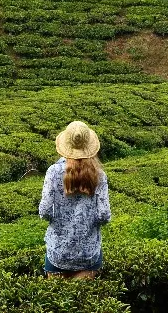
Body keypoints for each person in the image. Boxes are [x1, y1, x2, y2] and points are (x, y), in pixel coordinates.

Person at [39, 120, 111, 279]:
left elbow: (44, 211)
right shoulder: (99, 175)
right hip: (88, 255)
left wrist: (59, 221)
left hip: (58, 253)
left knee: (56, 301)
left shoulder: (53, 172)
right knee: (83, 302)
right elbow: (104, 215)